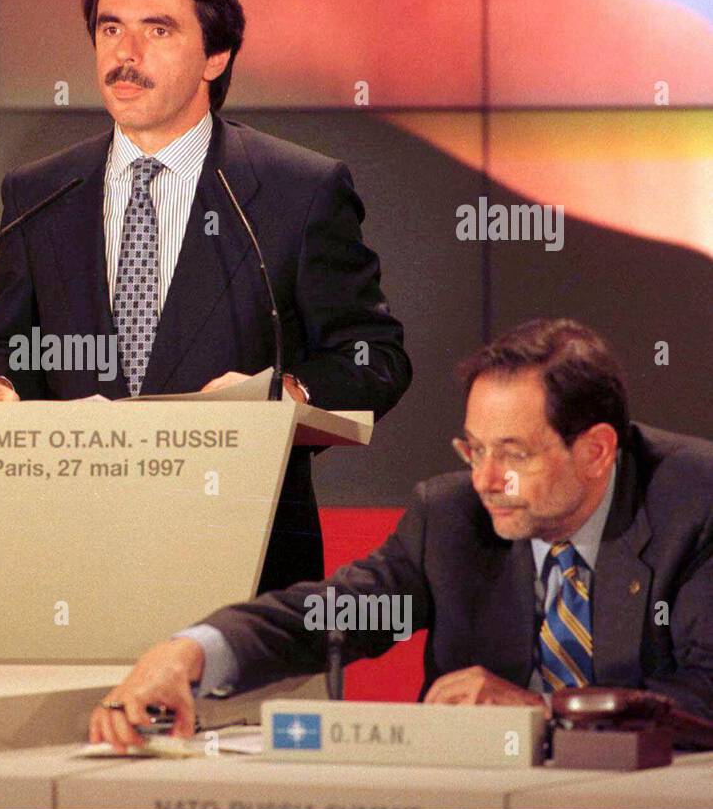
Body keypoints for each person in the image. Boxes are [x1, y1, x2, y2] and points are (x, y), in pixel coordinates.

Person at [0, 0, 411, 593]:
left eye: (156, 30)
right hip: (72, 563)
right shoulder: (41, 192)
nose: (124, 55)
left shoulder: (296, 190)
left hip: (244, 566)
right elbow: (11, 344)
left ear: (215, 56)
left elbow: (374, 355)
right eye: (110, 29)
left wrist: (286, 396)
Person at [90, 318, 713, 748]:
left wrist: (543, 715)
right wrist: (188, 653)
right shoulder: (450, 517)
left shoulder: (695, 506)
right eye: (474, 450)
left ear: (598, 451)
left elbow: (704, 693)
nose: (486, 479)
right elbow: (332, 615)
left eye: (514, 454)